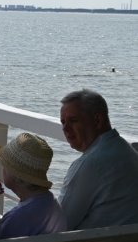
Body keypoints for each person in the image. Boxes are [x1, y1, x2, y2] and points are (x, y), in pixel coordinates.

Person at [58, 89, 138, 229]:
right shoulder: (126, 150)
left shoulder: (90, 164)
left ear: (97, 120)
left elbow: (59, 223)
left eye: (73, 121)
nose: (65, 128)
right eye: (63, 122)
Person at [0, 132, 66, 239]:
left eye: (5, 165)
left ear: (16, 176)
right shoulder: (52, 203)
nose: (3, 168)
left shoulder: (16, 218)